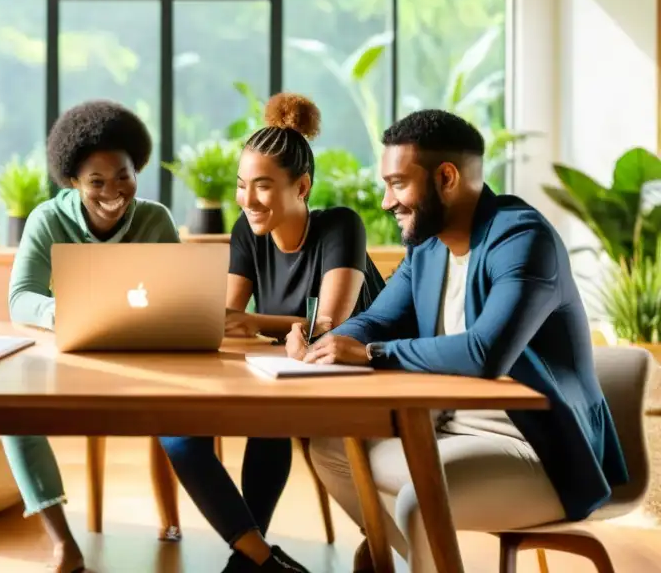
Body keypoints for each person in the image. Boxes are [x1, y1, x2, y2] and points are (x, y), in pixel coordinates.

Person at [299, 110, 627, 573]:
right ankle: (415, 562)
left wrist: (372, 354)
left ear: (447, 177)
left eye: (397, 183)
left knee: (418, 504)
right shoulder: (428, 247)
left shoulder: (521, 239)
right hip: (449, 431)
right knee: (330, 449)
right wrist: (326, 343)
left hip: (536, 451)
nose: (386, 200)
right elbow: (376, 320)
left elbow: (484, 353)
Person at [160, 93, 386, 573]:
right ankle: (257, 558)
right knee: (176, 432)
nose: (248, 200)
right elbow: (228, 318)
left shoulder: (341, 227)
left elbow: (331, 325)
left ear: (301, 186)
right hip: (290, 369)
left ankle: (249, 564)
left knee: (269, 421)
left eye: (262, 187)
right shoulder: (248, 230)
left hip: (361, 373)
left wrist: (257, 325)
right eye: (242, 186)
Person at [5, 99, 181, 573]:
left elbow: (179, 296)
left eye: (123, 176)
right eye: (96, 182)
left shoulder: (156, 220)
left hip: (147, 359)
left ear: (137, 168)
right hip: (73, 355)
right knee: (11, 414)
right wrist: (67, 311)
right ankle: (62, 540)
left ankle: (185, 521)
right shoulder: (47, 220)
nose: (113, 192)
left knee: (190, 407)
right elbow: (20, 298)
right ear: (73, 181)